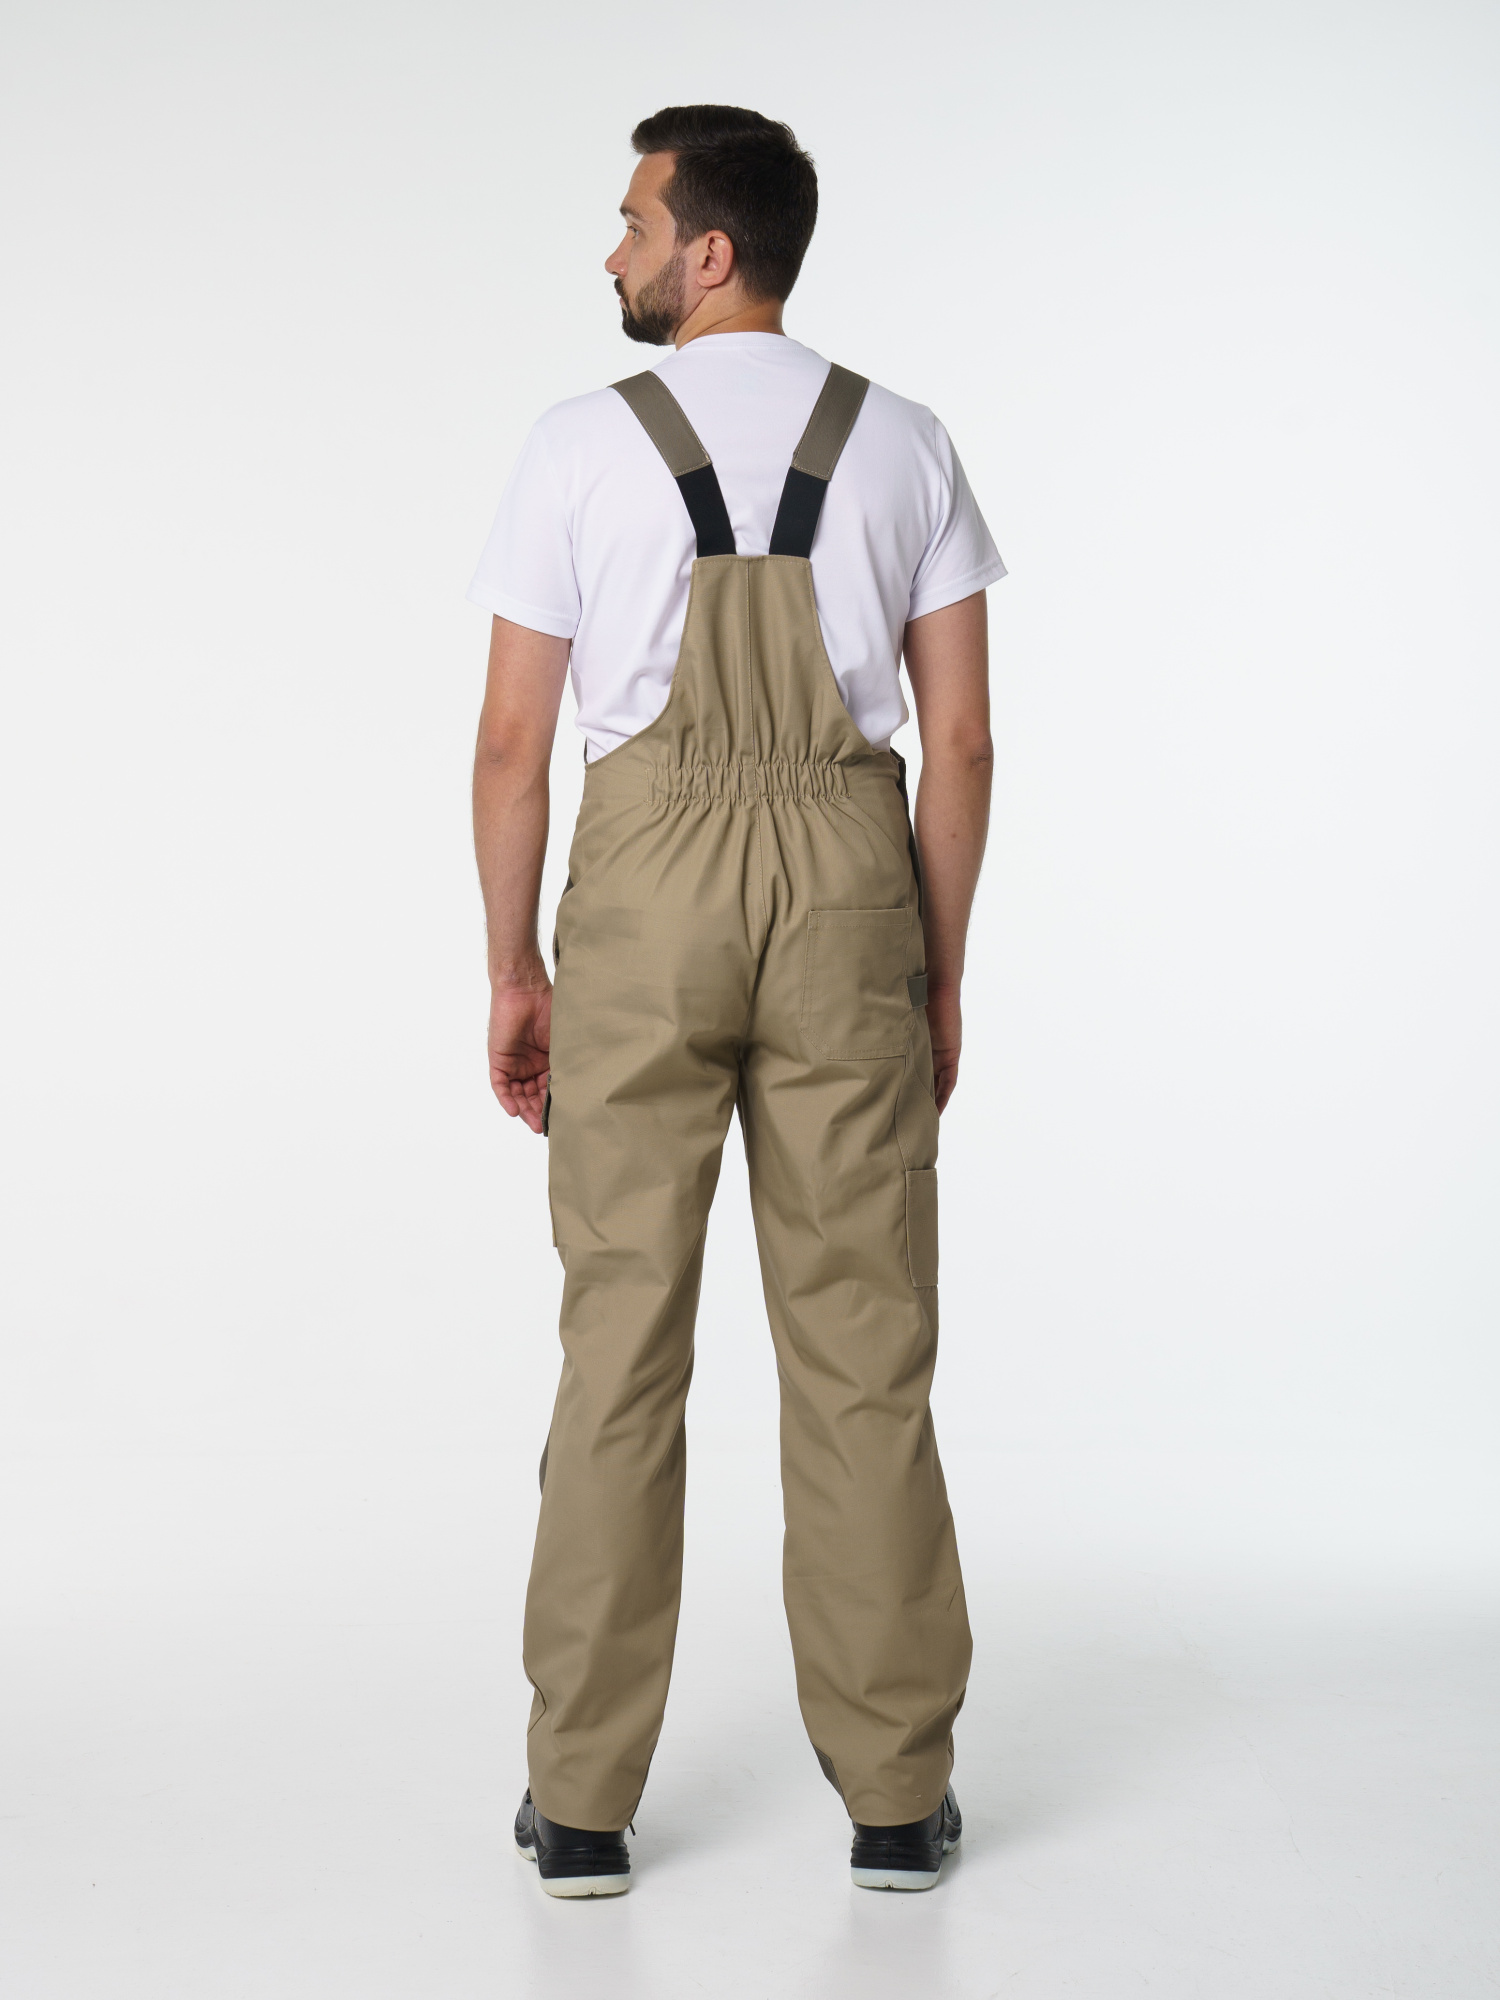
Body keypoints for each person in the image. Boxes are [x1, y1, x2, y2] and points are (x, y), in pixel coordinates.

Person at [469, 104, 1003, 1898]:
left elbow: (514, 746)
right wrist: (937, 969)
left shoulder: (578, 446)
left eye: (634, 221)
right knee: (864, 1344)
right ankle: (896, 1800)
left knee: (621, 1341)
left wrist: (516, 966)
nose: (614, 250)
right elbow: (962, 744)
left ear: (710, 251)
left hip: (645, 898)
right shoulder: (906, 441)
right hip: (849, 889)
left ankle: (582, 1809)